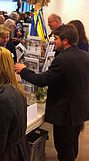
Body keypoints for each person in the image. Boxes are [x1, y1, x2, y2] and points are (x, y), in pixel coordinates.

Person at [15, 24, 89, 161]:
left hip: (66, 113)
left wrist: (24, 70)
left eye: (56, 38)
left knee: (64, 148)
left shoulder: (62, 59)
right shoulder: (85, 56)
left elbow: (42, 80)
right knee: (73, 143)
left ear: (65, 40)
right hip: (79, 110)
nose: (53, 42)